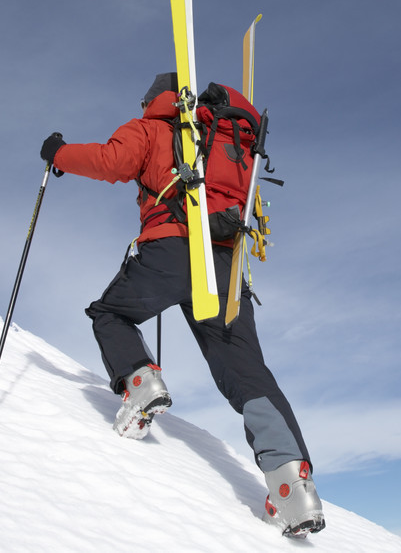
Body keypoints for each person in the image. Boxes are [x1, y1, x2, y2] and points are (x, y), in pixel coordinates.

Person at [40, 73, 325, 537]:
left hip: (173, 248)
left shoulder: (153, 127)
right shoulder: (228, 141)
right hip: (227, 263)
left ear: (156, 99)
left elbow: (110, 161)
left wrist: (57, 153)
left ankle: (142, 383)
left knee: (111, 313)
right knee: (247, 373)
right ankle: (293, 486)